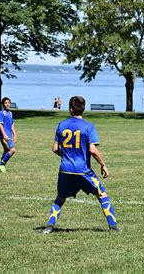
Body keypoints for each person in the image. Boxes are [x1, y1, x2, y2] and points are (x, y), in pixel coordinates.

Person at [43, 96, 120, 233]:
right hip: (83, 171)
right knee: (102, 194)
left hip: (65, 170)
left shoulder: (61, 125)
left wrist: (67, 156)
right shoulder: (89, 127)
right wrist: (103, 164)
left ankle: (49, 226)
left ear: (70, 109)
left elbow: (55, 148)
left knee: (60, 198)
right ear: (83, 109)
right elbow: (92, 149)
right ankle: (113, 227)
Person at [0, 97, 17, 172]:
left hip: (9, 135)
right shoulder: (1, 113)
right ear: (3, 104)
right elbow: (0, 125)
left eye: (8, 102)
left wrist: (14, 135)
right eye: (6, 103)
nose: (7, 104)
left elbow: (12, 124)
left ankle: (1, 166)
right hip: (4, 136)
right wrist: (4, 135)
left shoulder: (10, 113)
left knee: (6, 150)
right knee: (12, 150)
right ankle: (1, 164)